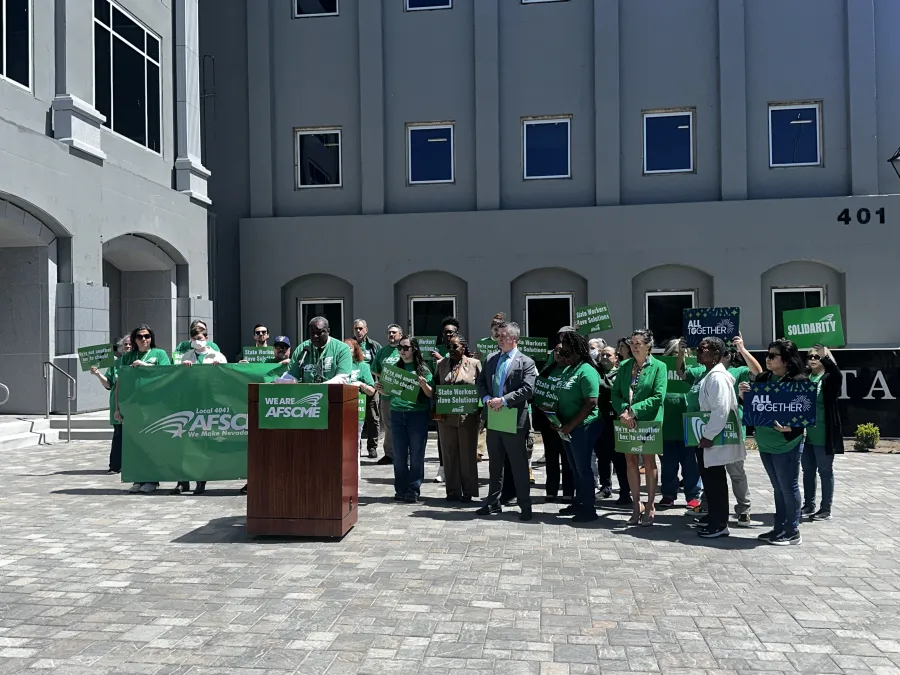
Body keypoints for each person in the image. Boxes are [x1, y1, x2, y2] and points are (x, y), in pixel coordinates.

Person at [740, 338, 808, 546]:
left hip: (786, 444)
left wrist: (792, 428)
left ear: (786, 360)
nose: (767, 359)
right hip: (766, 443)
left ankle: (792, 530)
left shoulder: (798, 381)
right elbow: (756, 407)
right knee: (778, 488)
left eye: (772, 356)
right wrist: (745, 396)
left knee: (788, 487)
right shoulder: (764, 378)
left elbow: (806, 412)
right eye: (767, 355)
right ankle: (779, 528)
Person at [475, 321, 537, 521]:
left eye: (503, 336)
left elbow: (528, 389)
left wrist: (503, 400)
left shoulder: (526, 362)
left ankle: (525, 506)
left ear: (514, 339)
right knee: (495, 463)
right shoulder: (491, 358)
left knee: (518, 465)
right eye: (498, 336)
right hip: (494, 418)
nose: (499, 339)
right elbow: (481, 382)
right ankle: (493, 502)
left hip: (514, 419)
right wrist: (486, 399)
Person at [688, 337, 746, 538]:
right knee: (710, 479)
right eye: (698, 348)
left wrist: (708, 435)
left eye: (703, 349)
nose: (698, 352)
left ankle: (720, 524)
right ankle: (713, 515)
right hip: (707, 435)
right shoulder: (711, 375)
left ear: (715, 355)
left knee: (715, 480)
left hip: (712, 437)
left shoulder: (717, 377)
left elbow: (721, 409)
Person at [612, 329, 667, 526]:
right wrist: (624, 412)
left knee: (650, 462)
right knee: (630, 461)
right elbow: (615, 394)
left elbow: (658, 396)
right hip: (626, 420)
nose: (634, 347)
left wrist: (634, 411)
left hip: (649, 421)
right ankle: (637, 505)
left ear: (648, 346)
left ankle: (650, 505)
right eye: (632, 343)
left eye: (638, 343)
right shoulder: (625, 366)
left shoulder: (659, 367)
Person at [374, 336, 433, 503]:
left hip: (417, 414)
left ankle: (413, 488)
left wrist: (424, 386)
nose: (402, 351)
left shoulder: (423, 369)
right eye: (400, 348)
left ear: (414, 349)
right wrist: (381, 389)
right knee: (399, 455)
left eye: (406, 348)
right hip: (397, 413)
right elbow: (389, 392)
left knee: (416, 454)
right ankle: (400, 488)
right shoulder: (394, 368)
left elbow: (430, 393)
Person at [115, 324, 172, 494]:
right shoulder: (128, 357)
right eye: (140, 336)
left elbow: (167, 373)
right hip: (133, 406)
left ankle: (152, 480)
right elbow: (120, 383)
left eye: (147, 336)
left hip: (154, 405)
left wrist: (145, 366)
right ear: (134, 340)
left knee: (152, 443)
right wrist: (117, 407)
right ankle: (138, 478)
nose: (144, 339)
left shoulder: (159, 354)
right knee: (135, 443)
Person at [553, 331, 602, 522]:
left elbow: (591, 402)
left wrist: (570, 425)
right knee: (574, 467)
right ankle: (578, 501)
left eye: (567, 353)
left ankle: (589, 508)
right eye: (561, 354)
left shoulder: (587, 370)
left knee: (583, 468)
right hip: (567, 427)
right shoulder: (569, 369)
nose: (563, 358)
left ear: (578, 352)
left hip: (583, 426)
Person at [434, 333, 482, 502]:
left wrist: (482, 413)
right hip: (446, 416)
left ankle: (468, 490)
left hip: (467, 416)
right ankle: (453, 490)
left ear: (464, 347)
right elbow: (436, 387)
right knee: (449, 453)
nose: (451, 350)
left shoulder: (475, 364)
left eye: (455, 346)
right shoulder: (442, 364)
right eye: (449, 347)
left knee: (467, 454)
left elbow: (482, 389)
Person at [802, 343, 843, 521]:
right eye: (810, 356)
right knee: (807, 470)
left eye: (816, 357)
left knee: (825, 471)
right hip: (805, 434)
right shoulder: (804, 377)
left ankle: (825, 509)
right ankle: (808, 504)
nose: (813, 359)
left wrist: (825, 355)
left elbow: (837, 374)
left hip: (823, 434)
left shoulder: (828, 378)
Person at [659, 338, 701, 509]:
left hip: (689, 424)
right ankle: (668, 494)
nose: (679, 356)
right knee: (668, 464)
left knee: (691, 463)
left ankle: (693, 495)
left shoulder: (694, 370)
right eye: (675, 353)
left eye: (682, 353)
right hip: (667, 424)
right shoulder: (661, 369)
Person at [533, 340, 574, 504]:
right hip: (549, 422)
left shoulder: (573, 371)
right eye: (556, 351)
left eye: (563, 351)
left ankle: (568, 492)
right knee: (551, 457)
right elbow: (539, 393)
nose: (559, 354)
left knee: (567, 458)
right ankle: (551, 491)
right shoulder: (546, 371)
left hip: (568, 422)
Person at [595, 345, 631, 505]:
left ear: (616, 358)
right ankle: (605, 487)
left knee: (620, 459)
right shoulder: (596, 374)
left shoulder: (622, 374)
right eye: (601, 355)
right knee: (602, 457)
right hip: (601, 420)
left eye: (607, 355)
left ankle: (625, 491)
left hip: (618, 421)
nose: (603, 358)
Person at [431, 317, 461, 482]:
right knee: (442, 435)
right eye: (446, 332)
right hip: (441, 399)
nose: (448, 335)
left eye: (451, 332)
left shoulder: (461, 348)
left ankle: (459, 469)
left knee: (460, 436)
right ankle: (442, 468)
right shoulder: (435, 349)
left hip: (459, 400)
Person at [372, 324, 403, 465]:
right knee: (388, 425)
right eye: (389, 332)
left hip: (402, 395)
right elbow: (374, 369)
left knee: (402, 424)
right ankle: (389, 454)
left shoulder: (404, 350)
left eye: (394, 333)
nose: (391, 335)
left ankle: (403, 453)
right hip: (386, 395)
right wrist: (385, 378)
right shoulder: (383, 351)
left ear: (400, 335)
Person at [287, 316, 352, 383]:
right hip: (309, 392)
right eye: (312, 333)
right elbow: (291, 376)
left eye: (319, 332)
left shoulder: (342, 348)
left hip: (334, 392)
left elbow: (343, 378)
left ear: (328, 331)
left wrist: (321, 387)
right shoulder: (302, 349)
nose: (315, 336)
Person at [352, 319, 382, 459]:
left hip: (371, 386)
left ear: (366, 329)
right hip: (353, 386)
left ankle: (372, 447)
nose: (358, 331)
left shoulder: (374, 346)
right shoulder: (348, 345)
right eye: (356, 328)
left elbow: (382, 365)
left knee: (373, 417)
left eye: (360, 328)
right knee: (353, 418)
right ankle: (355, 447)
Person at [345, 338, 377, 457]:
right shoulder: (337, 365)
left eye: (350, 348)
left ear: (355, 350)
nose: (347, 350)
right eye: (344, 348)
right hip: (340, 406)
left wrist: (360, 384)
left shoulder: (362, 366)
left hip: (357, 405)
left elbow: (371, 390)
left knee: (355, 439)